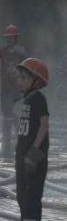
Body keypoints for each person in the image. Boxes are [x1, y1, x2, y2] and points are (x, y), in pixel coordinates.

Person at [13, 58, 49, 221]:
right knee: (21, 195)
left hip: (34, 157)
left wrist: (34, 151)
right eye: (19, 77)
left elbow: (44, 125)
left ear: (36, 81)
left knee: (32, 195)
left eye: (24, 77)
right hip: (22, 155)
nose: (19, 81)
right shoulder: (26, 99)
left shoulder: (38, 99)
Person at [0, 25, 28, 158]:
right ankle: (7, 145)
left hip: (16, 88)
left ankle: (19, 142)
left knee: (12, 115)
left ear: (16, 38)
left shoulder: (21, 52)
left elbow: (26, 69)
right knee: (7, 116)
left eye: (12, 37)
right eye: (8, 37)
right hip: (4, 88)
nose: (10, 39)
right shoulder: (2, 52)